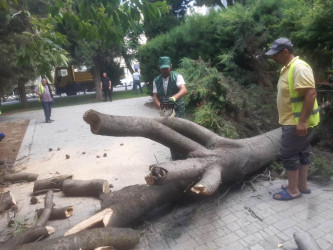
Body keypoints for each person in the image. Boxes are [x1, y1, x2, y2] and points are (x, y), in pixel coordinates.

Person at [266, 38, 320, 201]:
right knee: (302, 152)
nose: (273, 57)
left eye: (275, 54)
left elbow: (310, 94)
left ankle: (292, 190)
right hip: (294, 121)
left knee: (287, 154)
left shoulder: (299, 68)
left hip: (295, 122)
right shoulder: (287, 68)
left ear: (285, 52)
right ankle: (301, 186)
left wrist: (302, 122)